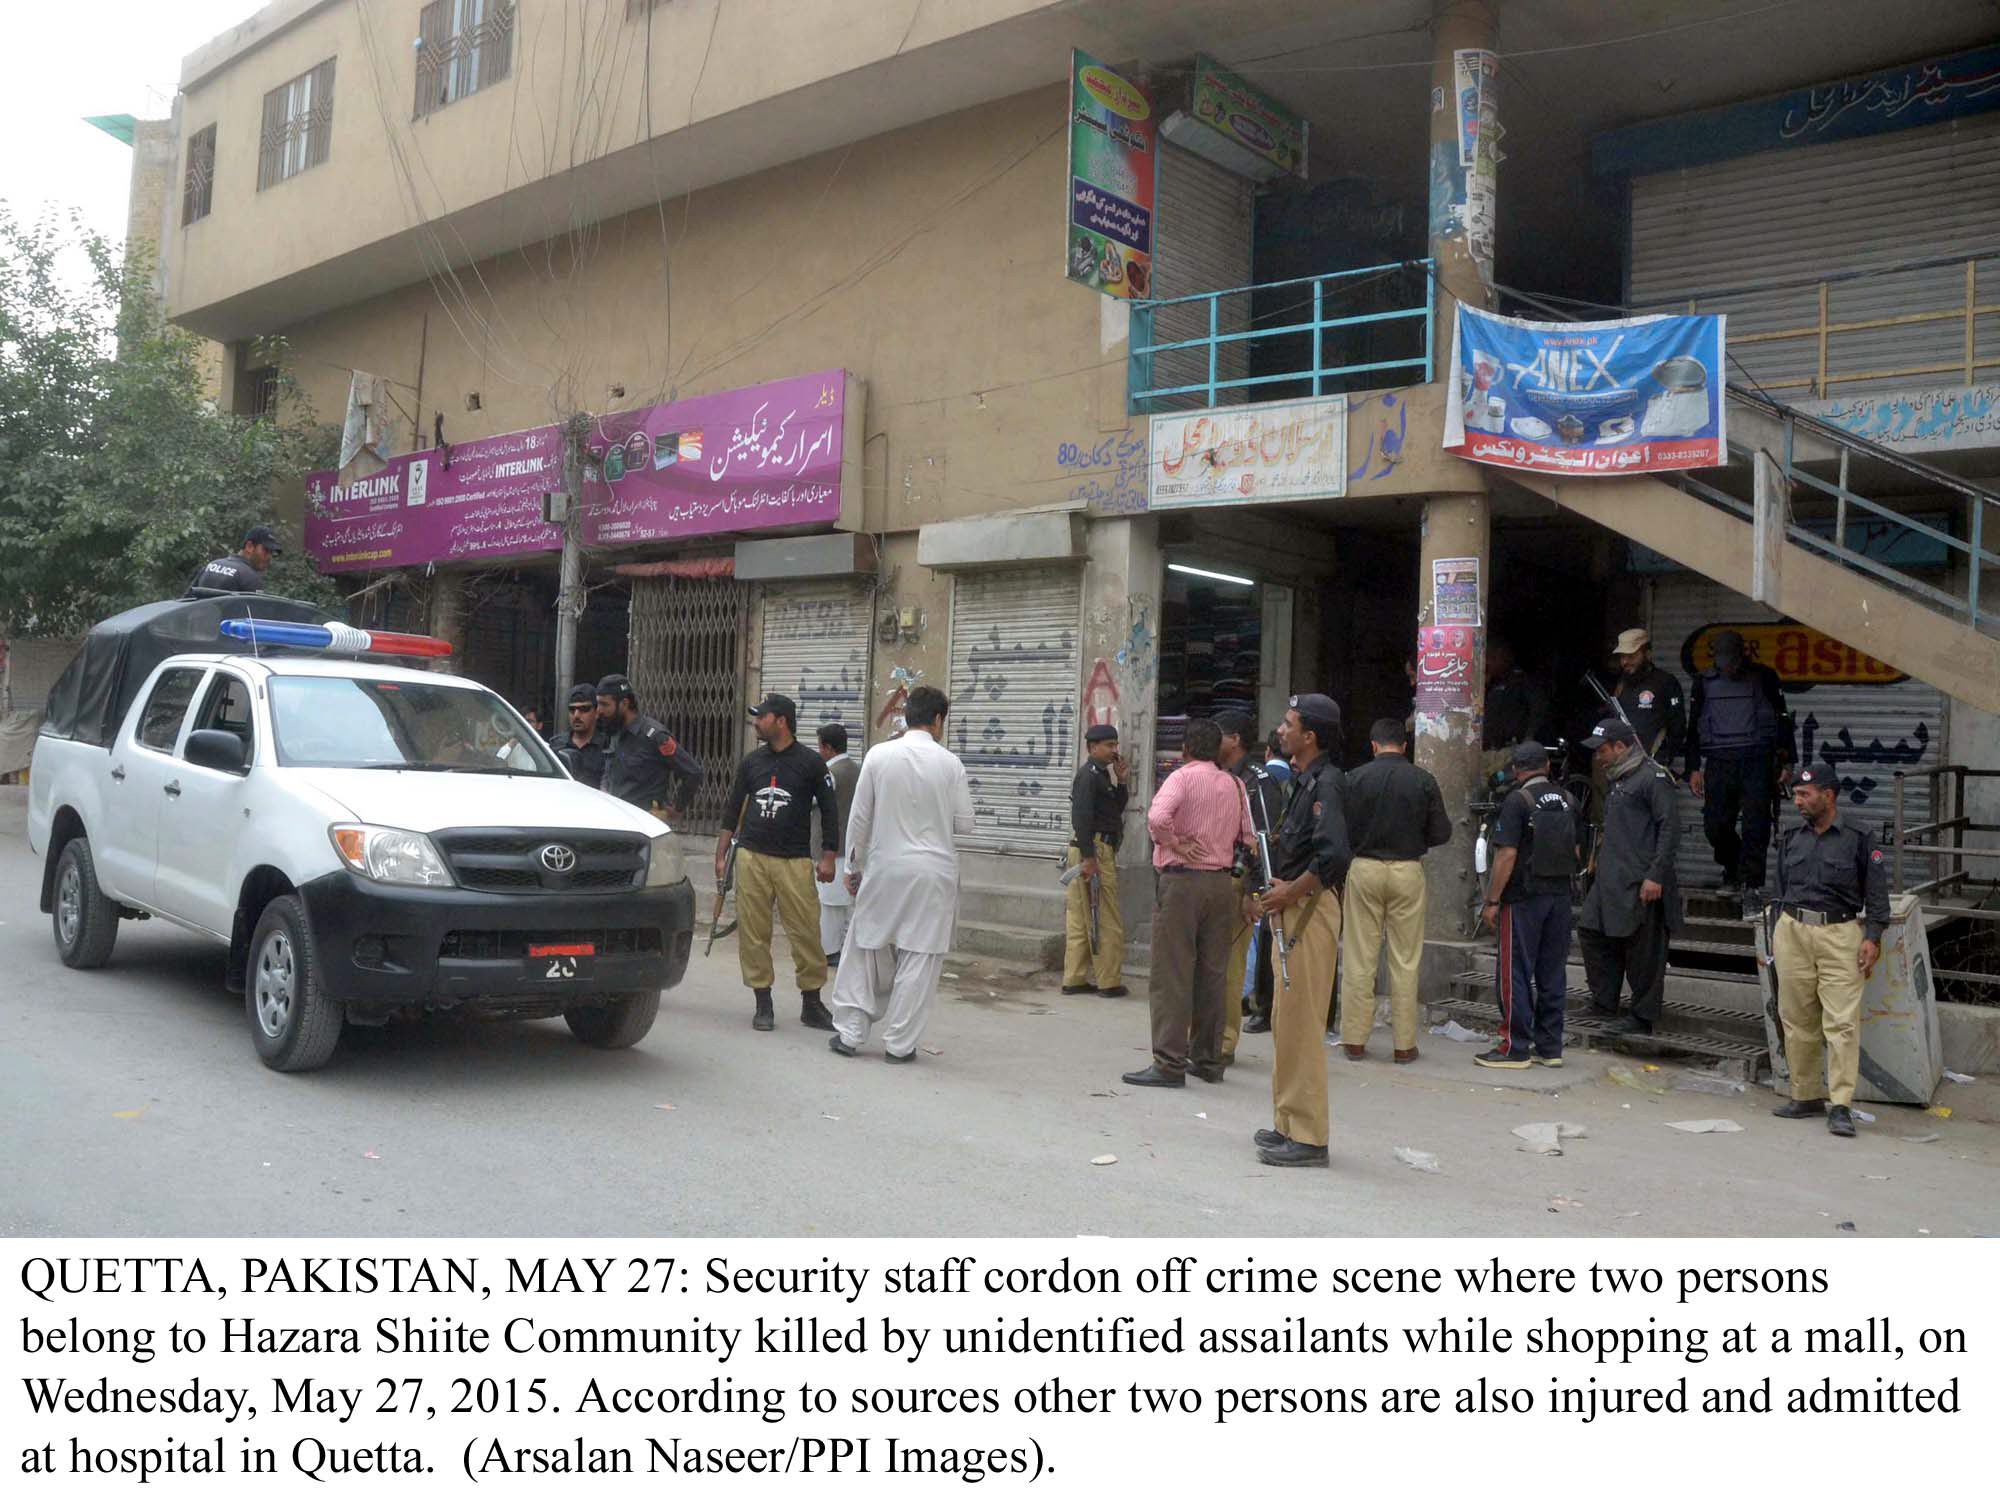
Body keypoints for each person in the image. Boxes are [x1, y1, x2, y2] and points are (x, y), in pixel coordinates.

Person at [828, 686, 975, 1061]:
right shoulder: (951, 764)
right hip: (934, 874)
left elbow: (859, 818)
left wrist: (853, 866)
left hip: (885, 867)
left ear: (906, 715)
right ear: (938, 720)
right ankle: (899, 1045)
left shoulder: (878, 756)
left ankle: (849, 1033)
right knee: (920, 957)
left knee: (865, 948)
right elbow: (966, 824)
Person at [1249, 693, 1352, 1170]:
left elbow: (1333, 858)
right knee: (1286, 1022)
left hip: (1308, 910)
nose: (1281, 730)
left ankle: (1310, 1138)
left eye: (1289, 724)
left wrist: (1291, 892)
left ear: (1310, 735)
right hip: (1292, 907)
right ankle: (1288, 1121)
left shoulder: (1327, 784)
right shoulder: (1304, 780)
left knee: (1304, 1025)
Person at [1123, 719, 1254, 1089]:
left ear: (1184, 748)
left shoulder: (1181, 778)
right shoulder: (1235, 783)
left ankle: (1169, 1062)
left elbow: (1157, 818)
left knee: (1172, 973)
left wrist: (1176, 843)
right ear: (1217, 750)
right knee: (1213, 974)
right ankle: (1209, 1059)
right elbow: (1247, 835)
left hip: (1181, 882)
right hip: (1220, 884)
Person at [1769, 762, 1889, 1139]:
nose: (1798, 801)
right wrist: (1777, 930)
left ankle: (1841, 1105)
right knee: (1796, 1018)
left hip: (1839, 933)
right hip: (1793, 931)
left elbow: (1876, 894)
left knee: (1841, 1023)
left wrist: (1873, 937)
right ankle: (1805, 1095)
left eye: (1805, 795)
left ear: (1829, 796)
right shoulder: (1791, 834)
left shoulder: (1858, 836)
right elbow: (1781, 884)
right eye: (1797, 794)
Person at [716, 693, 840, 1032]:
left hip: (795, 861)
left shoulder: (812, 763)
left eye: (762, 717)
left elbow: (830, 811)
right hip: (752, 856)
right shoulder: (751, 762)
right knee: (754, 933)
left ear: (780, 721)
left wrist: (829, 856)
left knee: (806, 933)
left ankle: (812, 1003)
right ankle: (763, 1003)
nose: (756, 722)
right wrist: (723, 851)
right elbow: (732, 806)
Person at [1338, 717, 1452, 1064]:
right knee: (1405, 959)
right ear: (1405, 746)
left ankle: (1355, 1041)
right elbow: (1441, 833)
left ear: (1373, 746)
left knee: (1360, 957)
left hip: (1364, 868)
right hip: (1407, 870)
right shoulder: (1423, 780)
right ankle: (1404, 1045)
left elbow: (1340, 827)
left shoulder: (1353, 779)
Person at [1474, 741, 1578, 1069]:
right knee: (1552, 972)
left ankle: (1514, 1047)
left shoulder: (1518, 801)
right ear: (1547, 765)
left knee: (1514, 971)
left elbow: (1506, 854)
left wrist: (1491, 900)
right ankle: (1550, 1047)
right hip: (1561, 897)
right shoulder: (1569, 799)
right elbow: (1577, 852)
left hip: (1523, 899)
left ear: (1517, 770)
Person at [1576, 719, 1679, 1038]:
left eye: (1603, 750)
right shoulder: (1620, 778)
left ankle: (1642, 1016)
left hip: (1642, 879)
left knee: (1643, 951)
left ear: (1621, 747)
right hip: (1611, 878)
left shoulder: (1653, 777)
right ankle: (1604, 1001)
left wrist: (1656, 875)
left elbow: (1669, 827)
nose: (1598, 757)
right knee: (1591, 931)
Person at [1687, 629, 1794, 917]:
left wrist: (1787, 762)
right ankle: (1733, 868)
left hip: (1756, 760)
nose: (1728, 666)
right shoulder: (1704, 682)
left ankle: (1751, 886)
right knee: (1715, 827)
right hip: (1719, 761)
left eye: (1731, 660)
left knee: (1755, 826)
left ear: (1742, 655)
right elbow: (1694, 725)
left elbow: (1783, 720)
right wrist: (1693, 768)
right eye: (1722, 661)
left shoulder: (1764, 677)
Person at [1217, 712, 1282, 1056]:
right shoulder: (1215, 775)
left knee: (1230, 967)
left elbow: (1261, 840)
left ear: (1236, 739)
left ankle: (1224, 1043)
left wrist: (1253, 892)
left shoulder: (1258, 780)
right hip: (1208, 881)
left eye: (1220, 736)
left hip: (1236, 882)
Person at [1061, 724, 1130, 998]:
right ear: (1093, 747)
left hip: (1093, 849)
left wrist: (1122, 782)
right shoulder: (1088, 777)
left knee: (1080, 916)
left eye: (1115, 744)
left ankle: (1074, 978)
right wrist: (1090, 858)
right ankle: (1109, 981)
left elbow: (1113, 810)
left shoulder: (1101, 776)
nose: (1115, 750)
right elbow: (1082, 819)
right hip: (1095, 851)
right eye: (1109, 745)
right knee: (1105, 915)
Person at [596, 673, 704, 818]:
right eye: (598, 704)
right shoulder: (614, 732)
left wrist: (677, 809)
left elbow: (693, 773)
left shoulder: (655, 736)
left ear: (624, 703)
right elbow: (609, 771)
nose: (599, 711)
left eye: (604, 704)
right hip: (615, 820)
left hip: (644, 824)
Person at [814, 722, 862, 968]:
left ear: (828, 748)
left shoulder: (831, 773)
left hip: (831, 848)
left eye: (820, 745)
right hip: (850, 847)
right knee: (843, 904)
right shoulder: (858, 769)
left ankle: (829, 950)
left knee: (830, 903)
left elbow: (813, 802)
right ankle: (840, 948)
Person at [1605, 628, 1686, 767]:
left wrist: (1663, 756)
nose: (1624, 662)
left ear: (1647, 654)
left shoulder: (1665, 682)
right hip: (1622, 764)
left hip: (1653, 764)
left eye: (1631, 656)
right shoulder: (1621, 683)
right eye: (1622, 656)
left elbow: (1678, 727)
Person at [1481, 636, 1549, 778]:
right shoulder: (1490, 683)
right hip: (1487, 750)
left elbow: (1537, 711)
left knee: (1503, 786)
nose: (1488, 661)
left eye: (1493, 657)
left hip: (1509, 750)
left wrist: (1528, 738)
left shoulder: (1520, 681)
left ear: (1505, 657)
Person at [190, 524, 282, 593]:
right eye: (266, 550)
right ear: (249, 546)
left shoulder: (211, 565)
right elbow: (255, 615)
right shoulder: (250, 577)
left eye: (271, 552)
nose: (269, 556)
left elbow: (186, 600)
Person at [553, 683, 608, 787]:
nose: (576, 715)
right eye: (572, 710)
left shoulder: (608, 746)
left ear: (596, 713)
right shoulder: (556, 745)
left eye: (584, 709)